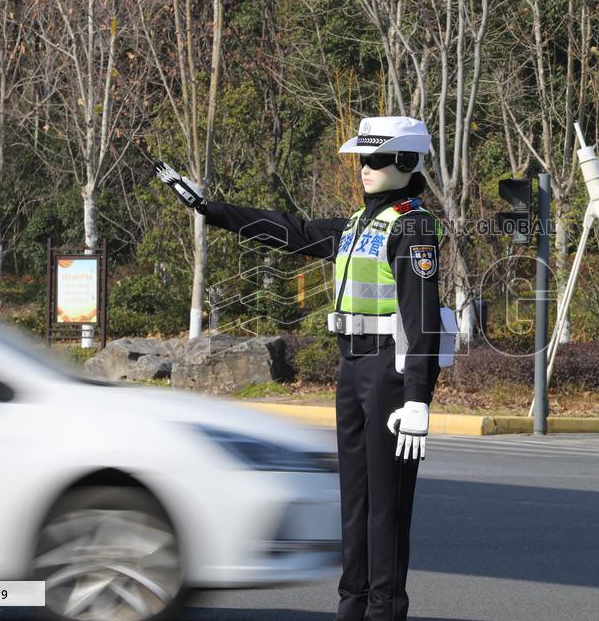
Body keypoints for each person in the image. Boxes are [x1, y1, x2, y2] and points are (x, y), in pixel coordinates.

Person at [156, 116, 444, 621]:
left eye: (376, 159)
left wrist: (418, 397)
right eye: (361, 158)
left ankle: (384, 610)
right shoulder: (359, 224)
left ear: (405, 161)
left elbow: (421, 319)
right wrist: (209, 209)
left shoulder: (413, 225)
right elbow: (293, 232)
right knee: (354, 500)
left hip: (387, 372)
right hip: (352, 367)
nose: (364, 169)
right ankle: (351, 606)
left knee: (386, 506)